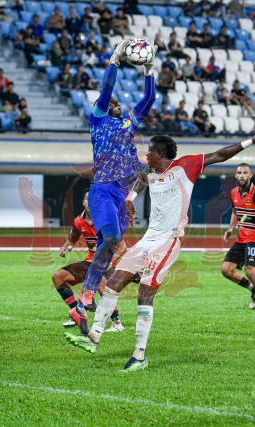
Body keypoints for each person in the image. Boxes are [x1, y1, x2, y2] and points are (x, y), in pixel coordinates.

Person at [65, 127, 255, 371]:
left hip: (169, 239)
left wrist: (251, 140)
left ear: (160, 154)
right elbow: (141, 179)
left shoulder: (186, 166)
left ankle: (139, 356)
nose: (146, 154)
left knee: (145, 293)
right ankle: (93, 336)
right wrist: (130, 199)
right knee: (113, 282)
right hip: (149, 238)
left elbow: (219, 154)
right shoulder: (150, 171)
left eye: (150, 151)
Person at [68, 40, 156, 334]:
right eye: (112, 104)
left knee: (111, 246)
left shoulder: (128, 123)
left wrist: (149, 69)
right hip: (102, 190)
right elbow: (106, 89)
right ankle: (87, 292)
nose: (115, 105)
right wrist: (115, 60)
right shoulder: (98, 120)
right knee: (112, 239)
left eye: (118, 104)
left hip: (120, 195)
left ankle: (84, 302)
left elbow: (149, 99)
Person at [54, 191, 128, 331]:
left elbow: (123, 246)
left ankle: (116, 322)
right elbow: (72, 239)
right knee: (58, 276)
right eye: (88, 198)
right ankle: (78, 314)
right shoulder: (79, 221)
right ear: (83, 202)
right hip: (90, 262)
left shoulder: (106, 220)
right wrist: (66, 247)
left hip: (106, 262)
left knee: (101, 283)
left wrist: (109, 262)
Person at [221, 163, 255, 312]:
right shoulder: (234, 192)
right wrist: (230, 228)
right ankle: (253, 290)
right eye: (239, 173)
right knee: (226, 270)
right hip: (241, 238)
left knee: (249, 271)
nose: (242, 175)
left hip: (254, 239)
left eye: (245, 173)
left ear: (250, 175)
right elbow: (235, 211)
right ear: (236, 175)